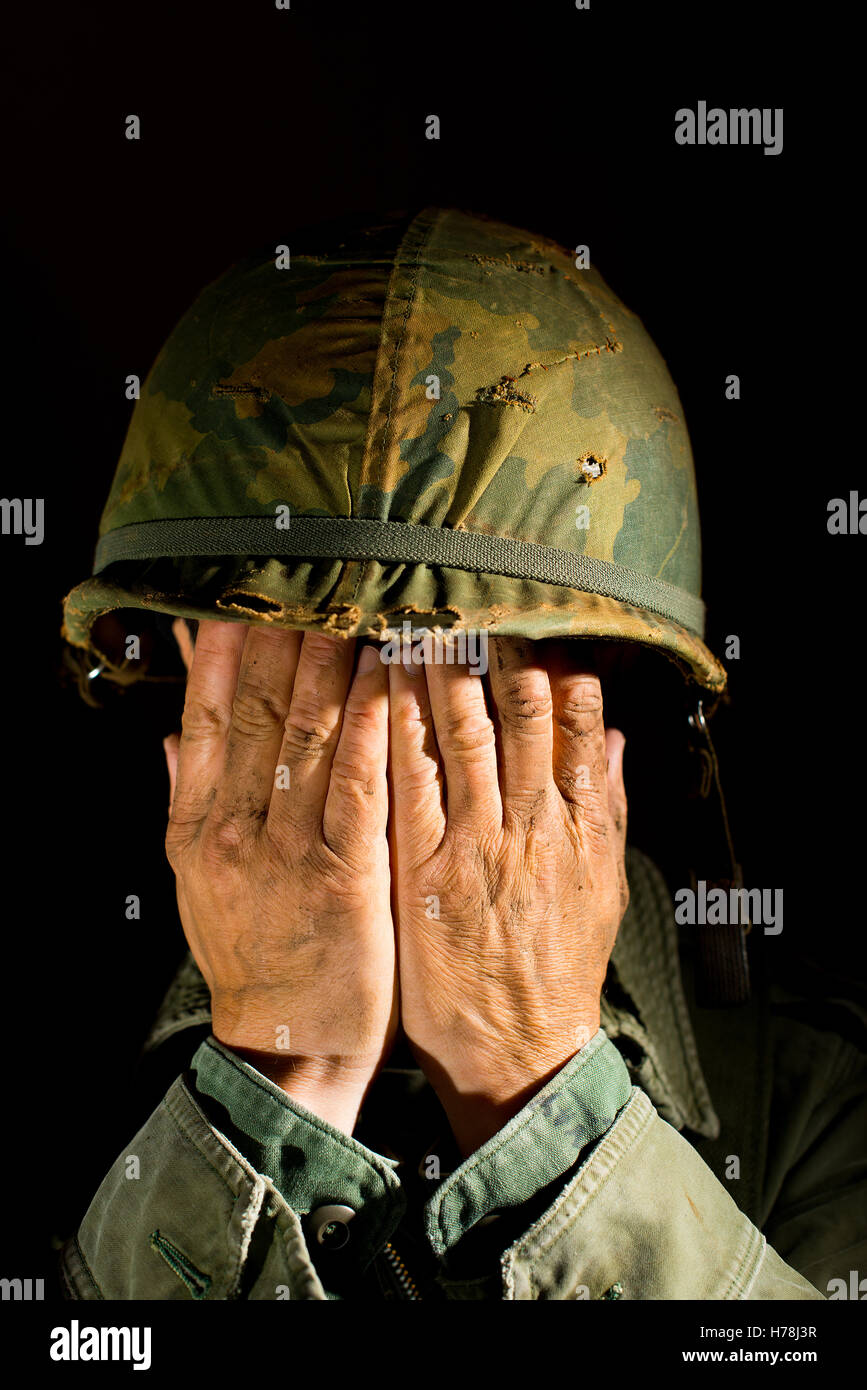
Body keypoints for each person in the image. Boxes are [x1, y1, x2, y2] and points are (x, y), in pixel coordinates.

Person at [58, 208, 865, 1300]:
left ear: (595, 708)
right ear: (198, 669)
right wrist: (269, 1084)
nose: (367, 735)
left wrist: (541, 1094)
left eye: (456, 674)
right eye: (300, 666)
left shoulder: (815, 1099)